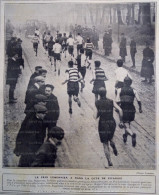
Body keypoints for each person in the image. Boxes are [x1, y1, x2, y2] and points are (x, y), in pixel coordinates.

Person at [95, 87, 123, 167]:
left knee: (105, 144)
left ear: (99, 94)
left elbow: (95, 116)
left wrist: (100, 111)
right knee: (111, 138)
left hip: (102, 124)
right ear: (106, 92)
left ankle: (109, 161)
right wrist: (121, 121)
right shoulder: (111, 101)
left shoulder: (97, 102)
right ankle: (113, 144)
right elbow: (120, 110)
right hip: (111, 123)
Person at [116, 76, 143, 147]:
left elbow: (117, 100)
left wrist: (117, 108)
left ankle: (132, 134)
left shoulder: (119, 90)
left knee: (126, 124)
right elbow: (139, 100)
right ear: (130, 83)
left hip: (123, 109)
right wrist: (140, 108)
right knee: (127, 123)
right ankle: (125, 135)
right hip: (131, 109)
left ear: (124, 82)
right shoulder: (134, 90)